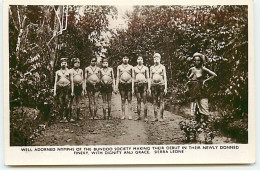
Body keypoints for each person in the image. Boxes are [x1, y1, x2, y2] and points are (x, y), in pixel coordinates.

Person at [187, 52, 217, 123]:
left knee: (203, 104)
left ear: (201, 61)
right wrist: (190, 79)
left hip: (201, 89)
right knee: (194, 105)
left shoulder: (203, 69)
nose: (196, 62)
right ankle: (195, 121)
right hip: (194, 89)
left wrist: (205, 81)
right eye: (195, 60)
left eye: (198, 60)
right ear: (193, 61)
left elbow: (214, 75)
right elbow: (188, 77)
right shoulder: (192, 69)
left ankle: (205, 122)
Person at [54, 58, 74, 123]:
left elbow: (72, 82)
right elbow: (55, 82)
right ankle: (62, 117)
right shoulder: (58, 72)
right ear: (60, 64)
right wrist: (54, 92)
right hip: (60, 89)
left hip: (67, 88)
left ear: (67, 64)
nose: (63, 64)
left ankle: (66, 117)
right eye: (62, 63)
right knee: (60, 103)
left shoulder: (69, 72)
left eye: (65, 63)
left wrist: (72, 91)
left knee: (67, 102)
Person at [149, 53, 167, 122]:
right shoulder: (151, 67)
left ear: (160, 59)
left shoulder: (162, 67)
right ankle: (155, 117)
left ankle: (161, 117)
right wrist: (149, 87)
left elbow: (165, 77)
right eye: (155, 58)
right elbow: (150, 78)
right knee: (154, 101)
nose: (156, 59)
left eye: (157, 58)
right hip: (153, 85)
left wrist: (165, 87)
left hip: (161, 85)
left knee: (161, 101)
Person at [132, 56, 150, 121]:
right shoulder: (134, 68)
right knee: (138, 100)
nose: (140, 60)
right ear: (137, 60)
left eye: (141, 59)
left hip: (144, 85)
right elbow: (133, 78)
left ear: (143, 60)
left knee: (145, 100)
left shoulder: (145, 68)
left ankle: (145, 116)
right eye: (138, 59)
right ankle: (138, 116)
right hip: (137, 85)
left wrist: (149, 87)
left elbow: (148, 78)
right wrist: (132, 88)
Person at [116, 56, 133, 120]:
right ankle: (123, 114)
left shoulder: (131, 67)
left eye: (126, 58)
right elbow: (117, 76)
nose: (125, 59)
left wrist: (130, 81)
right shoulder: (119, 67)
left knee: (129, 99)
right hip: (122, 84)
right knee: (123, 99)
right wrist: (116, 86)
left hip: (129, 84)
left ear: (128, 59)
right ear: (122, 59)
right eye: (124, 58)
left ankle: (130, 114)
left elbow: (133, 76)